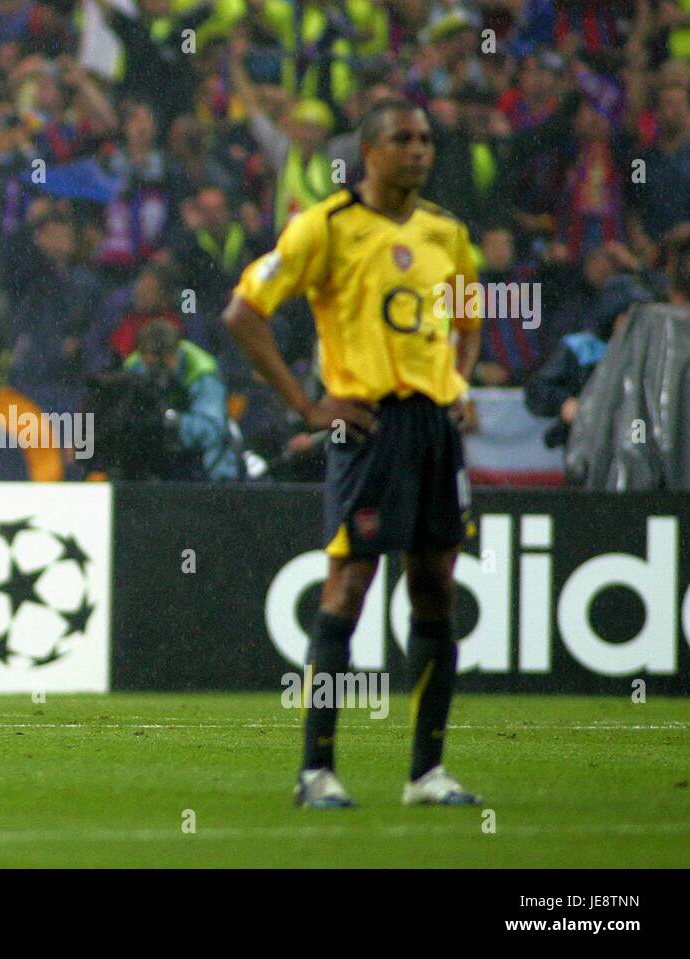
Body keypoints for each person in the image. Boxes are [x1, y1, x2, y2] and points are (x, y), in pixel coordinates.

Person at [222, 99, 483, 809]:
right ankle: (317, 770)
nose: (420, 151)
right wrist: (308, 406)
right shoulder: (326, 226)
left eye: (427, 139)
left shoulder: (446, 233)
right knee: (349, 586)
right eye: (404, 138)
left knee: (436, 589)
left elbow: (468, 317)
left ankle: (426, 773)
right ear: (370, 150)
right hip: (367, 426)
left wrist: (456, 382)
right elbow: (243, 313)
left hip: (434, 429)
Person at [124, 320, 241, 481]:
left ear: (174, 354)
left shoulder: (202, 369)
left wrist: (171, 421)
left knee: (219, 445)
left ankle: (220, 494)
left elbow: (211, 428)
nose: (156, 370)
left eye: (163, 362)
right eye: (150, 364)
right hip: (155, 444)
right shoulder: (134, 366)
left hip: (193, 442)